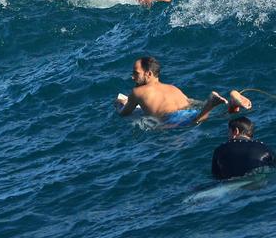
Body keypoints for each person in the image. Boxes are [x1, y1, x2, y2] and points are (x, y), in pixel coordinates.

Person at [113, 56, 251, 127]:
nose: (132, 77)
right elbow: (190, 102)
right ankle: (231, 103)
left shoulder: (138, 92)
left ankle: (211, 103)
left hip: (173, 118)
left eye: (136, 73)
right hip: (189, 111)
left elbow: (124, 113)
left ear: (148, 74)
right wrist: (203, 104)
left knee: (194, 122)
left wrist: (120, 103)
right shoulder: (172, 88)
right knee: (219, 116)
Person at [212, 117, 276, 179]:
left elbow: (216, 176)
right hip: (258, 181)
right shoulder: (265, 148)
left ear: (236, 131)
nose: (227, 135)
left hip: (231, 185)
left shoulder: (219, 150)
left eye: (229, 132)